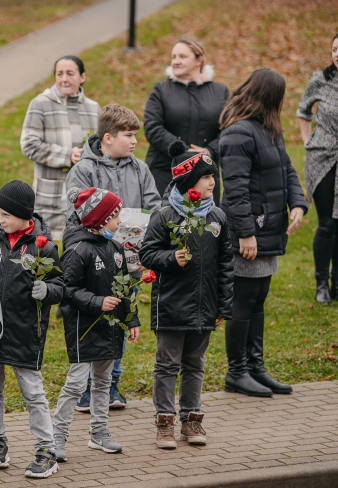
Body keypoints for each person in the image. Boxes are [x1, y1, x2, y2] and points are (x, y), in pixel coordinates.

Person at [65, 104, 160, 411]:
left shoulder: (140, 169)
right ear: (107, 137)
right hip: (92, 264)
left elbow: (154, 209)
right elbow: (75, 213)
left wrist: (146, 245)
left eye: (136, 135)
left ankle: (111, 385)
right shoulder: (84, 169)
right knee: (92, 322)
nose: (134, 141)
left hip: (128, 263)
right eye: (128, 135)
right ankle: (85, 389)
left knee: (119, 319)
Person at [139, 141, 233, 449]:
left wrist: (223, 305)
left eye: (212, 177)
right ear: (188, 182)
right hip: (171, 306)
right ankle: (164, 422)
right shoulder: (165, 216)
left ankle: (191, 420)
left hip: (204, 306)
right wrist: (170, 259)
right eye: (206, 177)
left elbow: (225, 264)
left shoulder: (217, 217)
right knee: (168, 364)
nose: (211, 182)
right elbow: (147, 253)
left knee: (195, 363)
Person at [220, 68, 308, 397]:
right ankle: (236, 373)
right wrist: (244, 233)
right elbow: (236, 189)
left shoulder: (268, 129)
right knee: (243, 300)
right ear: (271, 97)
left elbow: (286, 168)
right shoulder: (239, 134)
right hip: (251, 233)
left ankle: (255, 367)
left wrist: (297, 203)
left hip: (268, 230)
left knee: (258, 299)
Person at [0, 180, 64, 478]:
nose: (1, 220)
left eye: (6, 215)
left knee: (33, 393)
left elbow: (61, 286)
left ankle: (47, 450)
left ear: (25, 215)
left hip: (25, 332)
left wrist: (46, 290)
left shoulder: (44, 246)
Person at [52, 187, 140, 463]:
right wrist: (96, 302)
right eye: (115, 216)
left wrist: (131, 319)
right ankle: (57, 438)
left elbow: (124, 286)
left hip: (110, 328)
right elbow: (66, 290)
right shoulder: (77, 251)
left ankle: (99, 432)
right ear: (100, 219)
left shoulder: (115, 247)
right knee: (77, 385)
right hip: (83, 328)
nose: (120, 222)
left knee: (103, 381)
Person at [21, 55, 100, 240]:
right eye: (60, 74)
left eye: (70, 73)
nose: (64, 79)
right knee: (45, 253)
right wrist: (67, 155)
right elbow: (29, 144)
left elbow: (100, 146)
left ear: (82, 77)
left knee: (80, 250)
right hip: (49, 196)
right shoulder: (40, 104)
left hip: (84, 196)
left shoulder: (93, 108)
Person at [144, 38, 229, 203]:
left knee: (204, 227)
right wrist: (182, 151)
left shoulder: (221, 92)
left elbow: (228, 130)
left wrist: (209, 151)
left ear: (199, 60)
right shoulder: (161, 90)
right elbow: (152, 127)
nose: (176, 61)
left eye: (182, 56)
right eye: (173, 57)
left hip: (205, 174)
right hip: (164, 172)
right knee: (165, 225)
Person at [297, 33, 338, 303]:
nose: (337, 54)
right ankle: (322, 282)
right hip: (322, 158)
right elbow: (303, 111)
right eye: (334, 49)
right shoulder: (321, 79)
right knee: (327, 223)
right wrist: (307, 142)